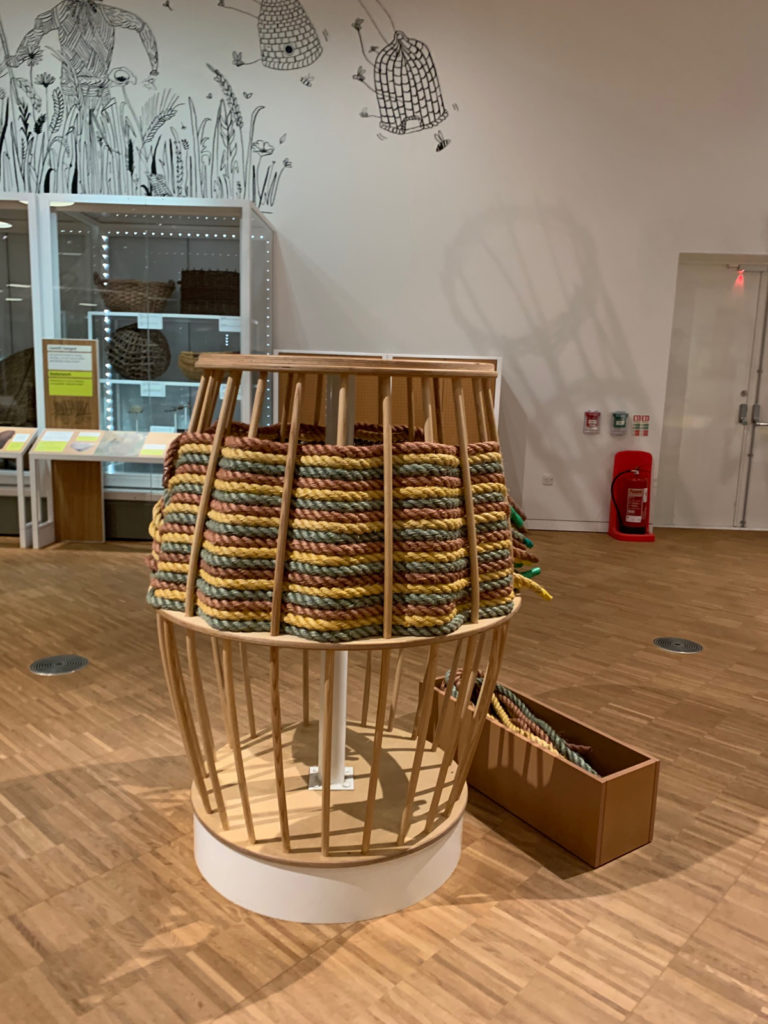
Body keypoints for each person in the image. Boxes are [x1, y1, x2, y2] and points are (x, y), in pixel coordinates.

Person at [4, 0, 159, 106]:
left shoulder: (61, 13)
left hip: (86, 86)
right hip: (80, 86)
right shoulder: (64, 12)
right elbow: (141, 26)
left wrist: (17, 59)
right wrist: (154, 66)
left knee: (82, 136)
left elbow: (36, 32)